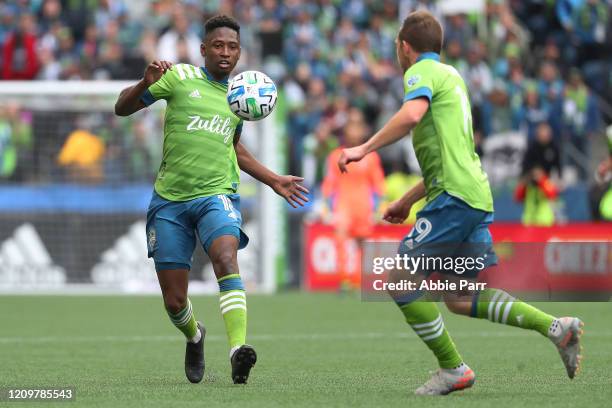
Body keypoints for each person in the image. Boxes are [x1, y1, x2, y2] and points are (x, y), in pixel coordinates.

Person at [338, 10, 582, 396]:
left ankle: (453, 369)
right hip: (471, 194)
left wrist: (364, 148)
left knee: (399, 280)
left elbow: (411, 114)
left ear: (405, 47)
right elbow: (452, 155)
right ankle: (556, 328)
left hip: (453, 198)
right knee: (459, 297)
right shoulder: (453, 77)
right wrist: (406, 199)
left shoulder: (419, 73)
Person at [114, 15, 308, 385]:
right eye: (218, 45)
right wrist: (145, 82)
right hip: (169, 202)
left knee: (224, 257)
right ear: (204, 49)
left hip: (216, 195)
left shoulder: (239, 98)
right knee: (174, 302)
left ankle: (238, 351)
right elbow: (121, 108)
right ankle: (194, 335)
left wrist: (272, 180)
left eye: (232, 47)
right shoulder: (179, 77)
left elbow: (233, 146)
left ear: (239, 52)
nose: (225, 52)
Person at [321, 120, 385, 291]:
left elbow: (378, 183)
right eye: (351, 126)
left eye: (358, 126)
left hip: (363, 205)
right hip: (343, 204)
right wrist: (326, 204)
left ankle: (358, 280)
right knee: (340, 239)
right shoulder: (336, 155)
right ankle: (344, 279)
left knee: (361, 243)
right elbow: (330, 181)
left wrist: (380, 206)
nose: (355, 131)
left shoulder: (371, 156)